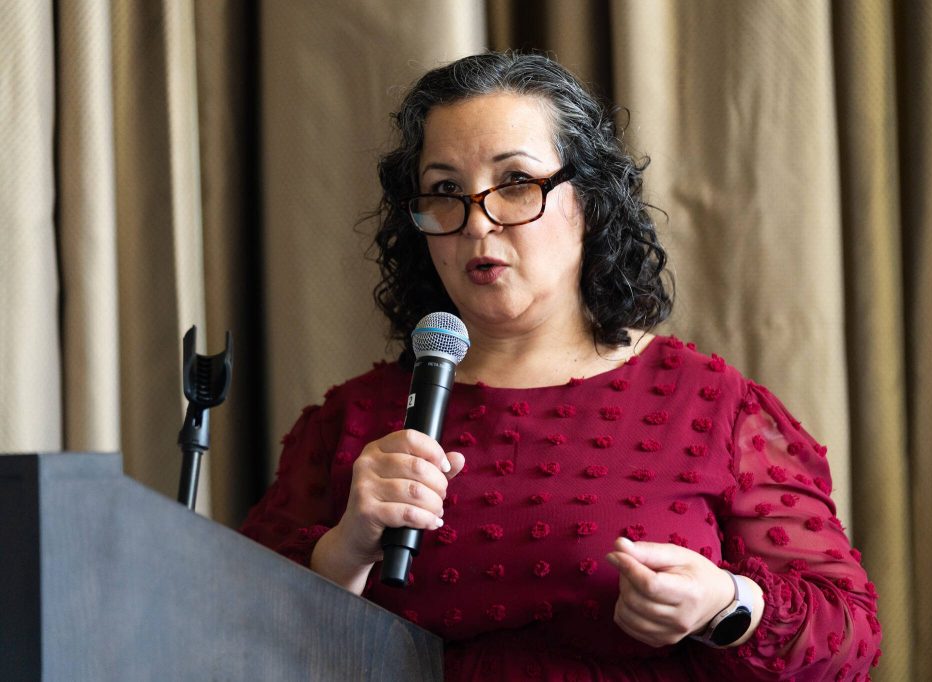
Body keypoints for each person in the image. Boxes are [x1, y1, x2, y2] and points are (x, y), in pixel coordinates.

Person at [240, 51, 882, 680]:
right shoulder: (352, 418)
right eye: (445, 191)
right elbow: (232, 630)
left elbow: (849, 637)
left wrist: (724, 604)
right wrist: (344, 550)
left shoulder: (710, 402)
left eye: (516, 183)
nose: (477, 224)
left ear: (589, 202)